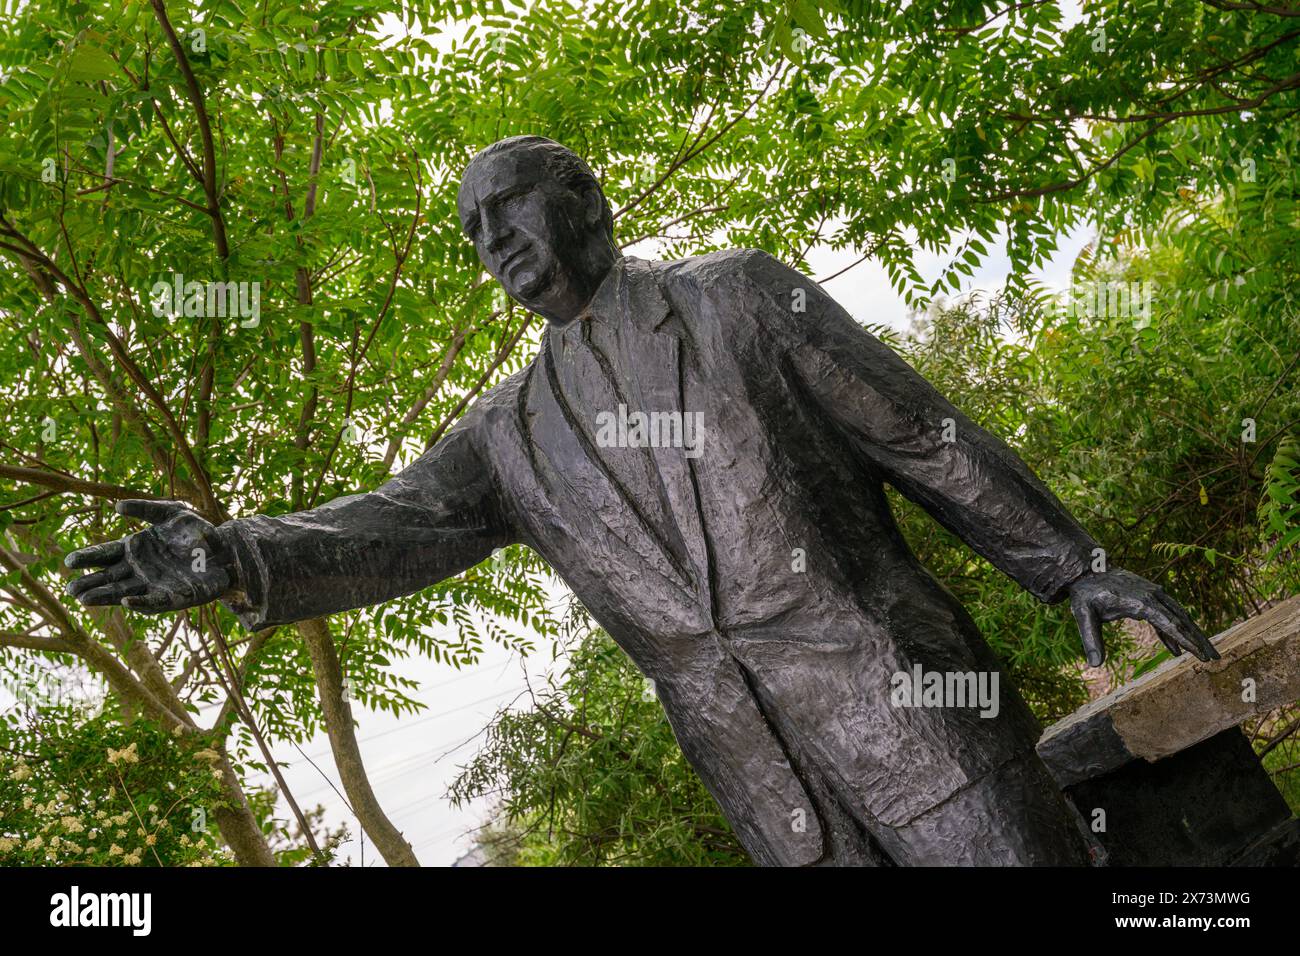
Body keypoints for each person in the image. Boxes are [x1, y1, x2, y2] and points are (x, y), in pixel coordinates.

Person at [66, 135, 1218, 865]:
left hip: (912, 717)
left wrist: (1068, 563)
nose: (493, 244)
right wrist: (235, 555)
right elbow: (398, 520)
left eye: (506, 209)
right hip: (772, 795)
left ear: (585, 203)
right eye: (474, 234)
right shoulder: (505, 432)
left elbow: (921, 435)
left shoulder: (738, 300)